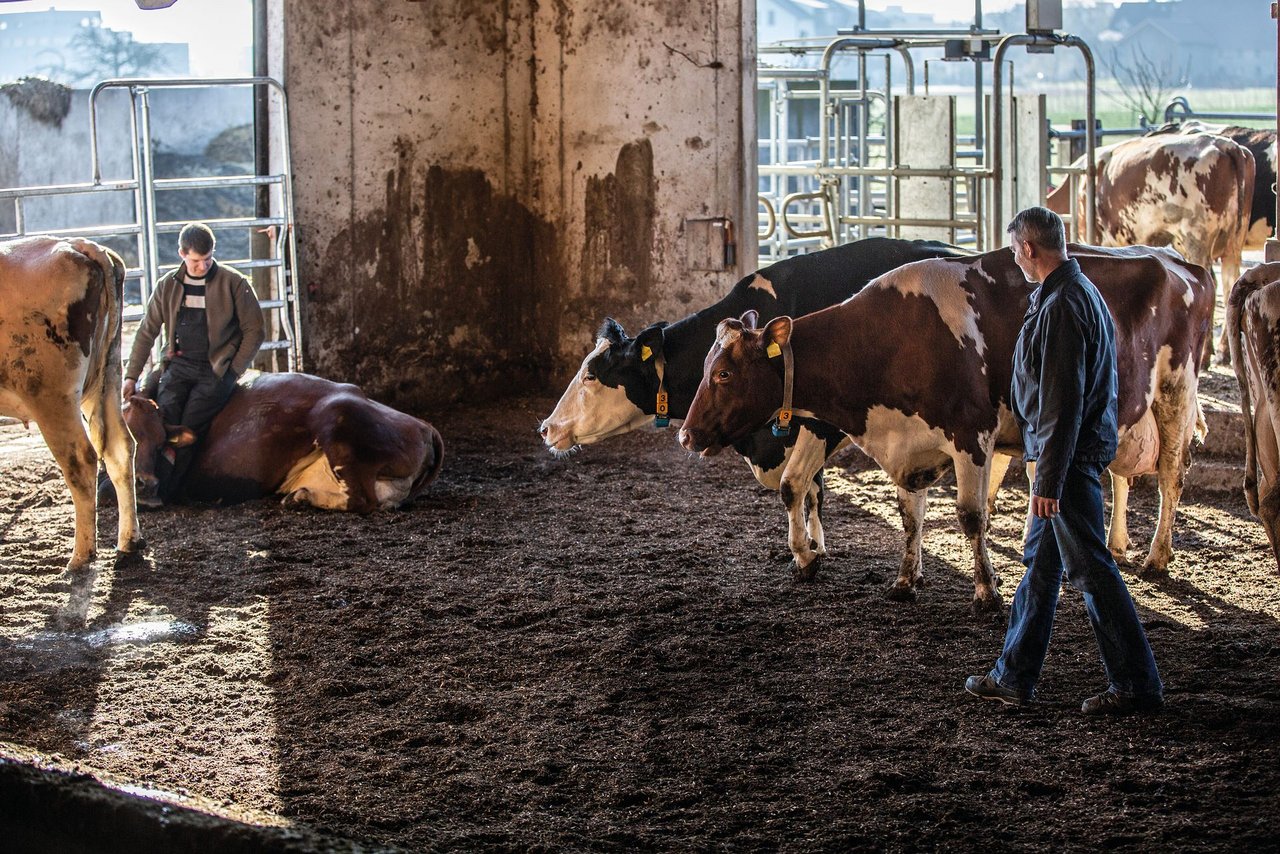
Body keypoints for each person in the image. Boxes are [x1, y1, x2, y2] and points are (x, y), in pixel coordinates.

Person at [964, 206, 1164, 716]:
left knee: (1092, 569)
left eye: (1015, 251)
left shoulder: (1061, 306)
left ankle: (1137, 684)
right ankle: (1014, 674)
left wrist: (1047, 478)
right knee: (1041, 566)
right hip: (1068, 455)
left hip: (1066, 461)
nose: (1015, 260)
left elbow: (1061, 401)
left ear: (1030, 249)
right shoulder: (1072, 293)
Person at [123, 222, 264, 501]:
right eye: (197, 260)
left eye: (208, 259)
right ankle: (141, 482)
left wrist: (233, 371)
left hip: (215, 370)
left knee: (190, 424)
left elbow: (255, 330)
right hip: (177, 366)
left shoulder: (234, 283)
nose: (203, 266)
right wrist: (131, 375)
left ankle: (167, 490)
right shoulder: (167, 286)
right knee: (164, 417)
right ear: (182, 254)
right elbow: (147, 331)